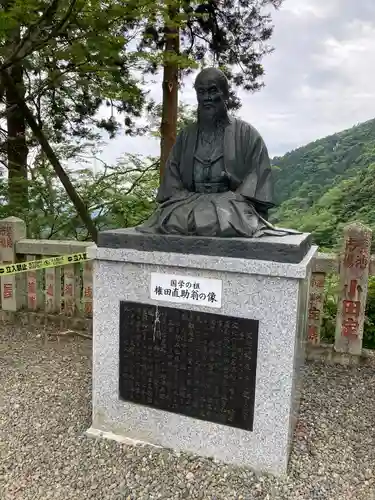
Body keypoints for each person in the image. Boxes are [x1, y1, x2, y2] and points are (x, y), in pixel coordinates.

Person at [137, 67, 294, 238]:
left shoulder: (246, 134)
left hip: (232, 203)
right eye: (201, 92)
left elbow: (256, 178)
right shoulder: (186, 136)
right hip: (189, 202)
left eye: (212, 90)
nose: (207, 98)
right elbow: (172, 182)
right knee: (171, 219)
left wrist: (233, 186)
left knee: (227, 219)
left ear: (225, 94)